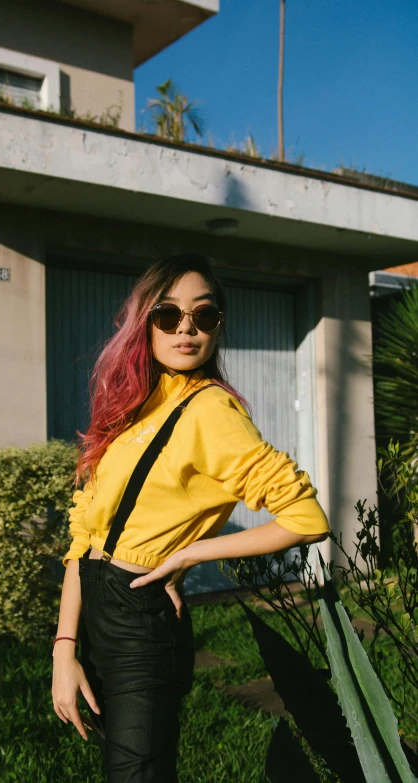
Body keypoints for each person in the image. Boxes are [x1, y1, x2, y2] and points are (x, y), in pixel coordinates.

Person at [52, 253, 329, 782]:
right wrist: (65, 648)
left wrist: (188, 554)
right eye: (168, 315)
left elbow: (306, 518)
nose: (186, 328)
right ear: (144, 325)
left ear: (218, 327)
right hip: (96, 603)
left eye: (203, 316)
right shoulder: (135, 404)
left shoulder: (211, 411)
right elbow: (85, 535)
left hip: (141, 619)